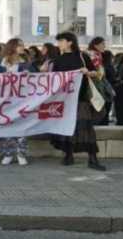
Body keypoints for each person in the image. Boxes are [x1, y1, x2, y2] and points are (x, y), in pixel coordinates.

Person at [49, 32, 106, 171]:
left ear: (70, 42)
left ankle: (93, 159)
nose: (59, 44)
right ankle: (68, 155)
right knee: (66, 127)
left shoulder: (83, 56)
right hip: (65, 99)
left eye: (61, 41)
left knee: (86, 127)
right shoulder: (58, 60)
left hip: (81, 98)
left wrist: (87, 71)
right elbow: (54, 79)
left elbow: (96, 74)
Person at [0, 38, 29, 166]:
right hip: (8, 98)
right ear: (13, 47)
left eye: (23, 45)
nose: (22, 47)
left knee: (23, 125)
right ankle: (8, 153)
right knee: (8, 124)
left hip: (23, 98)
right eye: (19, 45)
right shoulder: (5, 61)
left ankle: (21, 153)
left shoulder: (26, 60)